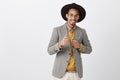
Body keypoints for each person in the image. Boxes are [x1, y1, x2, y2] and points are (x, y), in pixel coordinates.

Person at [47, 3, 92, 80]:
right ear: (67, 15)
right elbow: (49, 50)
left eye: (76, 15)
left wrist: (80, 46)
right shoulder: (57, 30)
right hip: (60, 74)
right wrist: (60, 44)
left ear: (78, 17)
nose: (73, 18)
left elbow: (89, 50)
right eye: (71, 15)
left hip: (76, 74)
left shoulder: (82, 32)